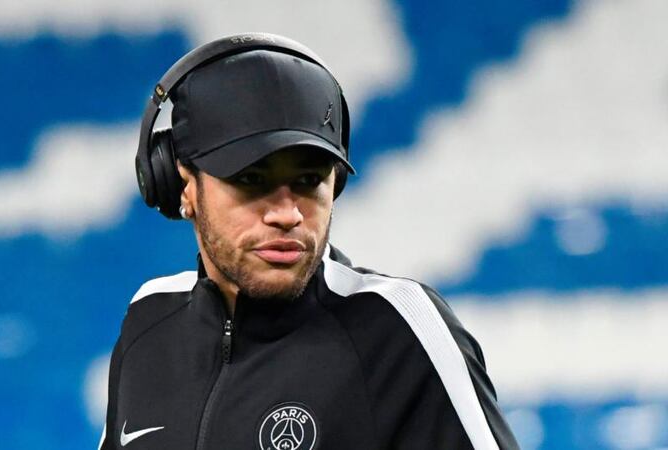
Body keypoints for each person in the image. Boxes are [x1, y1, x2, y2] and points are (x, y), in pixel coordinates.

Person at [99, 33, 520, 450]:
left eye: (308, 180)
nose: (288, 213)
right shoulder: (148, 320)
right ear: (183, 186)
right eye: (251, 180)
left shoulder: (400, 331)